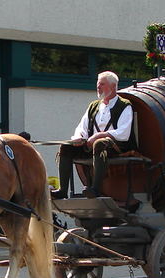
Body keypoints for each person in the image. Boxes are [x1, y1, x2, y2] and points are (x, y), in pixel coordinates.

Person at [51, 71, 136, 199]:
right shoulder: (93, 106)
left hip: (116, 147)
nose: (98, 87)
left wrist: (98, 136)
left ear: (113, 87)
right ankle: (62, 190)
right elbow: (82, 127)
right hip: (91, 146)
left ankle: (95, 189)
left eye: (102, 84)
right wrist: (79, 138)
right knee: (66, 146)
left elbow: (123, 133)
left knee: (99, 143)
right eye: (98, 84)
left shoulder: (124, 105)